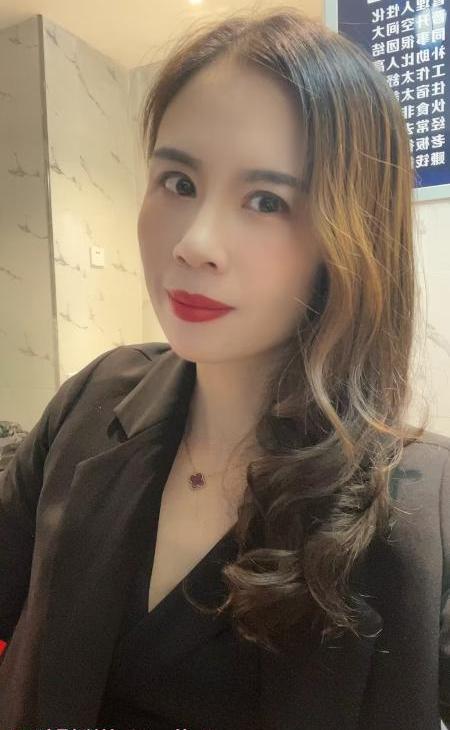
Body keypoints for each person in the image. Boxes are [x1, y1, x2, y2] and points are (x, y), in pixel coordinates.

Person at [0, 6, 449, 730]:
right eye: (178, 182)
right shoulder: (93, 399)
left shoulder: (422, 506)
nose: (196, 243)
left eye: (266, 201)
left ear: (350, 238)